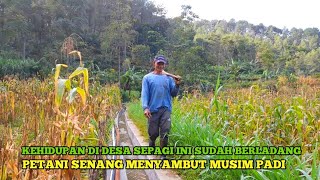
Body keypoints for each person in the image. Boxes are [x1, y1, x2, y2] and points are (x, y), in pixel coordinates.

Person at [141, 55, 181, 158]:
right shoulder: (147, 78)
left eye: (162, 64)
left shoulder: (168, 78)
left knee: (165, 131)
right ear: (154, 63)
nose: (160, 65)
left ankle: (163, 155)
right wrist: (145, 107)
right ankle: (152, 142)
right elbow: (145, 94)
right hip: (153, 109)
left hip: (166, 108)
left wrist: (177, 85)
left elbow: (173, 94)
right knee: (153, 133)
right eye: (159, 63)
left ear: (164, 65)